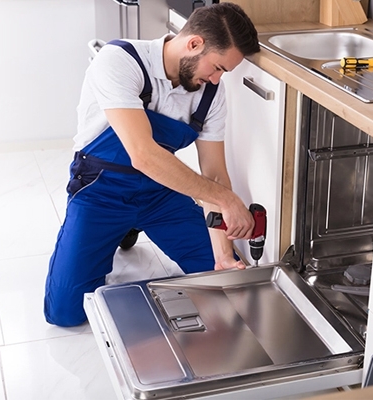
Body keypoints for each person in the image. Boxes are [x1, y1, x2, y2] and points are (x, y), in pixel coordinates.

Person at [44, 3, 261, 327]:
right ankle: (119, 229)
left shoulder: (211, 92)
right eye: (217, 68)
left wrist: (223, 256)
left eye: (223, 73)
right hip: (101, 191)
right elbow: (143, 154)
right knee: (65, 312)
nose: (216, 79)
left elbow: (214, 174)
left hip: (162, 192)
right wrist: (227, 200)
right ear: (194, 43)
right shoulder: (120, 61)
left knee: (224, 284)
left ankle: (133, 227)